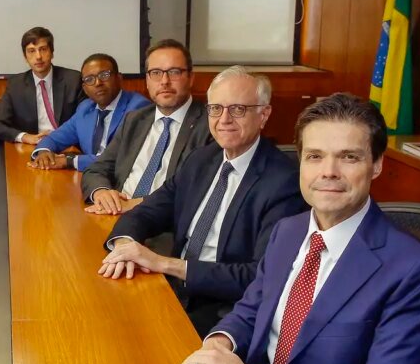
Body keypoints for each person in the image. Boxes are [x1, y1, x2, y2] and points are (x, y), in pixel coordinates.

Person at [177, 93, 420, 364]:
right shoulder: (288, 232)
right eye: (315, 156)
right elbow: (252, 308)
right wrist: (221, 344)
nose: (329, 171)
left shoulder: (415, 271)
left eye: (349, 157)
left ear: (377, 166)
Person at [100, 67, 308, 335]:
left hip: (226, 311)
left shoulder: (284, 182)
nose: (224, 120)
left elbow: (259, 276)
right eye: (215, 109)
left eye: (238, 109)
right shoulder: (202, 159)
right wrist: (125, 246)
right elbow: (148, 211)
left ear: (263, 115)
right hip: (172, 289)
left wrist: (165, 264)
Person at [81, 39, 211, 215]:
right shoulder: (135, 120)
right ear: (147, 81)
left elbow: (194, 193)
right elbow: (97, 168)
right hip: (114, 215)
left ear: (190, 78)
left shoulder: (211, 125)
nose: (164, 81)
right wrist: (102, 192)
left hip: (161, 226)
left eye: (174, 72)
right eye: (156, 73)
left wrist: (136, 205)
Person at [28, 53, 150, 171]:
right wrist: (45, 152)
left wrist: (70, 161)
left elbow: (121, 158)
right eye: (89, 79)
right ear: (85, 88)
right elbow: (54, 138)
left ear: (119, 78)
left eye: (104, 75)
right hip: (92, 177)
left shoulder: (138, 108)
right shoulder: (85, 109)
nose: (98, 83)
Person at [0, 26, 86, 144]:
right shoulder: (16, 85)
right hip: (32, 147)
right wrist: (25, 137)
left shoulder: (73, 80)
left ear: (52, 53)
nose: (38, 57)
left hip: (66, 145)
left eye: (43, 49)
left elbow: (85, 121)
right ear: (25, 57)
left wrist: (59, 137)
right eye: (31, 51)